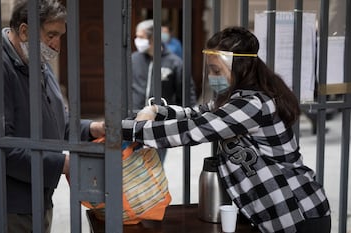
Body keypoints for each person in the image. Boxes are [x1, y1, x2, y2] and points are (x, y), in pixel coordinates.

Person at [123, 26, 331, 233]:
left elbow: (194, 129)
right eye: (210, 70)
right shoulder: (235, 100)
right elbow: (195, 114)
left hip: (299, 212)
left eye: (217, 71)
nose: (213, 77)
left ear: (241, 68)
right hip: (274, 214)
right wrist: (156, 111)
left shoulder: (253, 104)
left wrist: (124, 130)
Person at [0, 0, 105, 232]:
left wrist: (91, 128)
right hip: (1, 207)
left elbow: (53, 121)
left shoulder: (38, 63)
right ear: (24, 31)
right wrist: (64, 164)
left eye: (60, 36)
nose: (57, 46)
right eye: (51, 35)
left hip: (36, 199)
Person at [132, 19, 197, 163]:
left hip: (159, 124)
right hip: (134, 121)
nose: (137, 40)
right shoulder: (133, 59)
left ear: (153, 38)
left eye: (141, 37)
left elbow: (186, 92)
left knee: (156, 167)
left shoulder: (174, 62)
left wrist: (187, 120)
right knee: (132, 170)